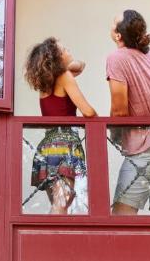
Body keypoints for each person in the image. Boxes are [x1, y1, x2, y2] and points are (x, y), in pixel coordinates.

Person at [106, 9, 150, 216]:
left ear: (118, 35)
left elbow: (119, 110)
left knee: (121, 214)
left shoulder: (116, 58)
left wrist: (114, 134)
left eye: (113, 23)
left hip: (146, 146)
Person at [24, 37, 96, 214]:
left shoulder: (46, 82)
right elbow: (87, 111)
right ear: (56, 57)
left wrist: (68, 63)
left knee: (59, 203)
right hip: (65, 146)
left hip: (48, 147)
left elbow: (80, 65)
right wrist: (101, 127)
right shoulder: (65, 77)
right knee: (62, 204)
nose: (69, 49)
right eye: (64, 49)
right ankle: (51, 240)